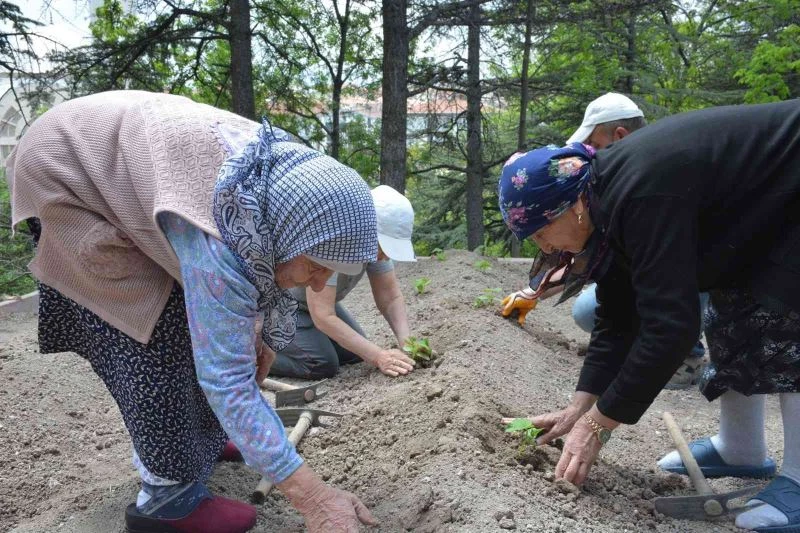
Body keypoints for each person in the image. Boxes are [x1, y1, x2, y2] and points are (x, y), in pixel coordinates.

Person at [7, 90, 380, 533]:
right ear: (292, 235)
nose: (319, 284)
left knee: (206, 325)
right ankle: (167, 498)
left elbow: (246, 303)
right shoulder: (220, 235)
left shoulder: (274, 200)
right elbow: (226, 380)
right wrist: (315, 499)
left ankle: (202, 439)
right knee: (155, 327)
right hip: (67, 170)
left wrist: (257, 333)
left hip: (128, 160)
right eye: (316, 267)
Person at [497, 99, 800, 533]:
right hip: (763, 209)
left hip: (790, 185)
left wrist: (600, 424)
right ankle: (742, 449)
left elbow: (670, 329)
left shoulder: (639, 194)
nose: (545, 248)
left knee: (786, 319)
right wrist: (579, 408)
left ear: (572, 206)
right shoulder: (604, 206)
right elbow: (618, 316)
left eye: (541, 232)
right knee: (733, 312)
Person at [500, 92, 707, 389]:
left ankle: (686, 354)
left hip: (701, 265)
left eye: (594, 145)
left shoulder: (651, 182)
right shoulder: (607, 189)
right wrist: (534, 291)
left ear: (620, 136)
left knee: (667, 288)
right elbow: (589, 257)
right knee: (587, 311)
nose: (588, 155)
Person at [270, 184, 418, 380]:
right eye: (383, 246)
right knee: (321, 363)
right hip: (281, 303)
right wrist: (379, 356)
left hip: (308, 307)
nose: (385, 256)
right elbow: (323, 314)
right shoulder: (335, 243)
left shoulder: (373, 249)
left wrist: (407, 343)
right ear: (366, 229)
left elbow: (390, 297)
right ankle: (252, 356)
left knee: (354, 354)